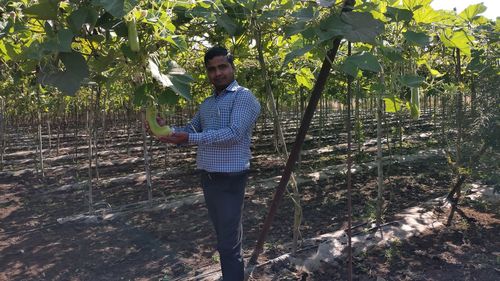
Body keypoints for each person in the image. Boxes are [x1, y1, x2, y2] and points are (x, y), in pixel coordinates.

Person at [156, 46, 261, 280]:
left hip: (231, 179)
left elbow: (234, 133)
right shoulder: (207, 103)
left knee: (228, 242)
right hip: (209, 177)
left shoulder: (244, 97)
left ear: (233, 67)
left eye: (223, 66)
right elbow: (191, 130)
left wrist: (189, 138)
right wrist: (167, 129)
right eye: (212, 69)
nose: (218, 73)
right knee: (225, 235)